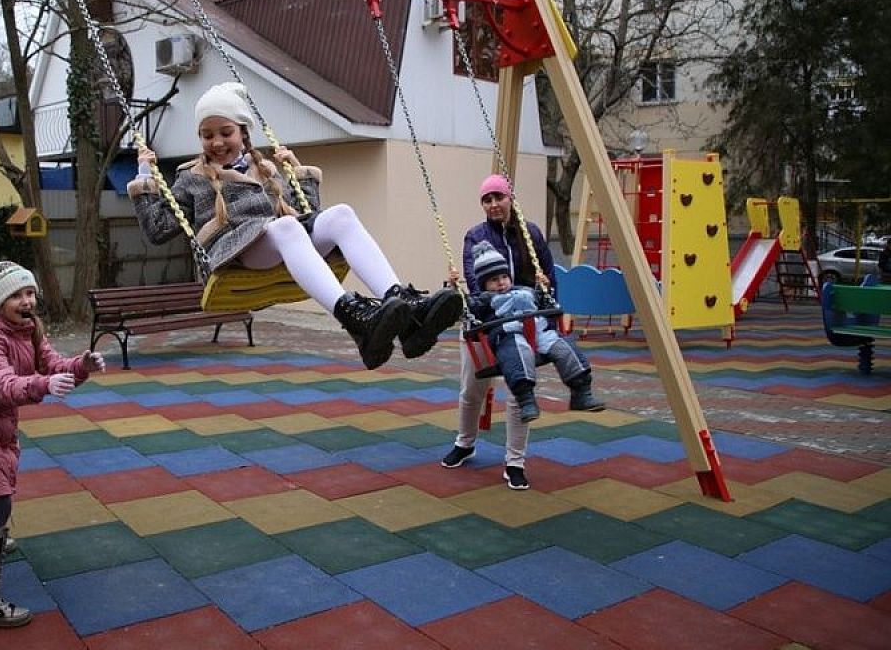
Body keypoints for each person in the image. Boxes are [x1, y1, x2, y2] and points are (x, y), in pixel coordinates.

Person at [128, 82, 461, 370]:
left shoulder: (267, 170)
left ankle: (407, 312)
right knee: (286, 227)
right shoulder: (191, 178)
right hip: (233, 253)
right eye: (207, 135)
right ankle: (354, 317)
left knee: (340, 214)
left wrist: (297, 173)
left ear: (244, 133)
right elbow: (158, 230)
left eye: (225, 132)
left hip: (276, 242)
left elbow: (309, 216)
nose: (216, 142)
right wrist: (145, 177)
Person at [0, 255, 106, 628]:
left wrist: (82, 365)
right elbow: (1, 384)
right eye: (17, 294)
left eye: (30, 292)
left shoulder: (29, 328)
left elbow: (51, 363)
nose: (27, 301)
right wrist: (42, 385)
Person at [440, 173, 599, 490]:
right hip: (485, 323)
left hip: (525, 321)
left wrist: (544, 312)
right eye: (487, 199)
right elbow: (474, 281)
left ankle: (515, 461)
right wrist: (480, 299)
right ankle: (465, 442)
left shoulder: (531, 233)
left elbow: (548, 276)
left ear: (510, 198)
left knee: (518, 392)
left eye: (499, 197)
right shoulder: (476, 236)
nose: (494, 204)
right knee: (473, 389)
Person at [463, 241, 604, 421]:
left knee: (564, 346)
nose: (501, 283)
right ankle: (526, 400)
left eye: (504, 277)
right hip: (508, 335)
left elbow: (544, 304)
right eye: (493, 280)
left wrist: (544, 289)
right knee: (517, 353)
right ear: (484, 284)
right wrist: (459, 294)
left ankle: (581, 393)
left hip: (539, 332)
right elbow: (470, 309)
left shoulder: (525, 290)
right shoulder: (483, 300)